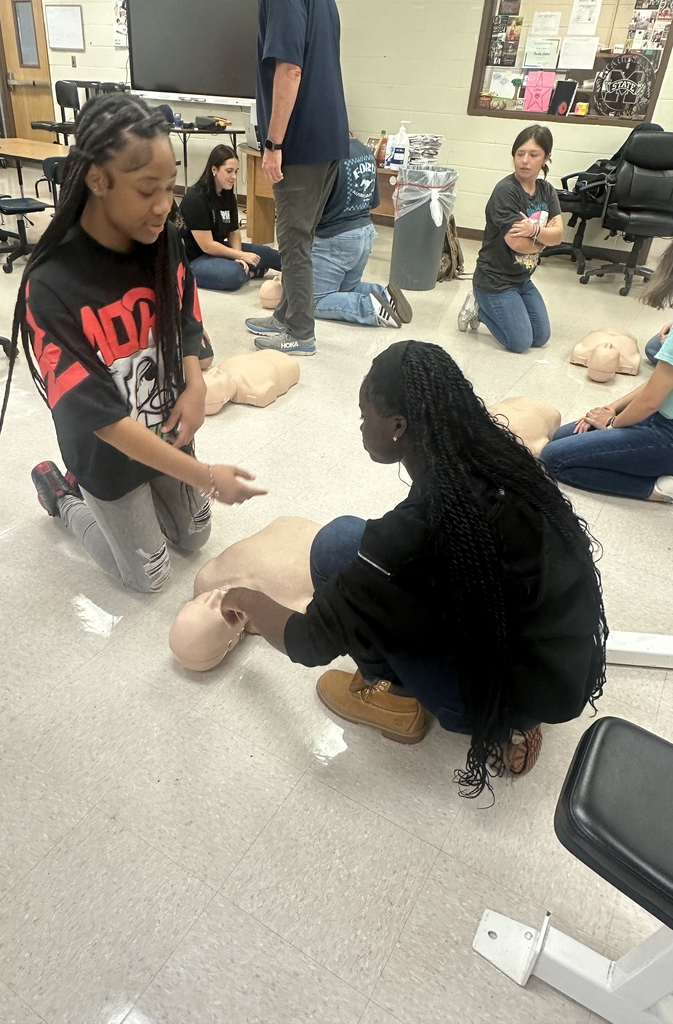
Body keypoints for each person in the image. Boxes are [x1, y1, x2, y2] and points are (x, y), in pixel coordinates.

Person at [220, 340, 608, 798]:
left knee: (335, 546)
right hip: (557, 672)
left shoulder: (409, 535)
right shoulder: (502, 461)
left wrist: (243, 597)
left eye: (366, 415)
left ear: (399, 426)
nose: (361, 425)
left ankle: (392, 696)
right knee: (355, 545)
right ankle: (519, 720)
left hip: (493, 697)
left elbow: (308, 642)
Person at [0, 93, 265, 593]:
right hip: (107, 454)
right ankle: (66, 497)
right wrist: (204, 476)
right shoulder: (51, 286)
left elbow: (185, 316)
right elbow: (105, 422)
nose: (163, 206)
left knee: (195, 538)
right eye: (146, 189)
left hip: (165, 430)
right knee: (149, 575)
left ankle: (148, 498)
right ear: (98, 179)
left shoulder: (165, 239)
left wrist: (195, 384)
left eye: (169, 187)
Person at [244, 0, 349, 357]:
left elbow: (289, 70)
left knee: (292, 240)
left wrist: (273, 143)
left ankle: (300, 332)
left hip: (301, 141)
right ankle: (286, 315)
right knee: (299, 237)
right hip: (329, 136)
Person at [458, 124, 563, 353]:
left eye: (533, 154)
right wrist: (545, 237)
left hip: (522, 278)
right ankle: (479, 308)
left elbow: (560, 235)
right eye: (519, 154)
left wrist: (533, 231)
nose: (525, 160)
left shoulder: (547, 190)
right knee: (520, 343)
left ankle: (501, 308)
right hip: (494, 280)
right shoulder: (506, 191)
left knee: (541, 337)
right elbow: (517, 243)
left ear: (546, 158)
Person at [539, 334, 673, 502]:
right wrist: (612, 409)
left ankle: (659, 490)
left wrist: (611, 424)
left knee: (553, 458)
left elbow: (649, 402)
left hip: (667, 430)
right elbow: (658, 382)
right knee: (563, 435)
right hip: (660, 416)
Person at [311, 135, 413, 328]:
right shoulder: (366, 151)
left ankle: (370, 308)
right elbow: (374, 201)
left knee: (314, 301)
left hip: (336, 237)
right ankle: (383, 295)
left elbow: (313, 206)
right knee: (347, 288)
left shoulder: (327, 155)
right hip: (365, 232)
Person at [179, 144, 281, 291]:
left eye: (236, 171)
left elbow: (234, 232)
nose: (234, 176)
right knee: (234, 274)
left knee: (267, 253)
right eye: (229, 171)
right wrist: (240, 256)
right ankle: (251, 272)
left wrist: (239, 257)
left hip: (218, 250)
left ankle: (310, 271)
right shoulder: (196, 198)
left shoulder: (227, 194)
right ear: (214, 170)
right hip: (195, 258)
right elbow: (207, 245)